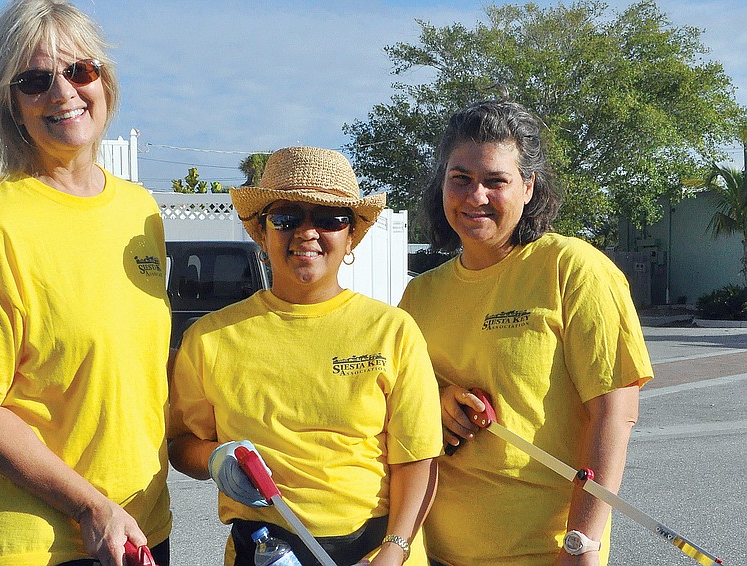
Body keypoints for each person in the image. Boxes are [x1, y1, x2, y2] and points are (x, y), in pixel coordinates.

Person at [0, 1, 172, 564]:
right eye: (35, 81)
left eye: (80, 70)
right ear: (11, 105)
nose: (63, 93)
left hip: (137, 524)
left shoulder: (139, 210)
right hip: (35, 541)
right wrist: (89, 505)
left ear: (105, 80)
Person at [398, 99, 654, 566]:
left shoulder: (573, 269)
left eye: (496, 181)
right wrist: (437, 399)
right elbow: (401, 409)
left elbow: (616, 416)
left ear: (528, 187)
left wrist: (582, 542)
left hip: (546, 554)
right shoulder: (420, 295)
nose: (476, 197)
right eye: (461, 179)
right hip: (437, 553)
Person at [167, 146, 443, 566]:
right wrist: (214, 458)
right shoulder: (209, 338)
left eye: (330, 218)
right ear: (262, 233)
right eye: (287, 217)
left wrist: (395, 550)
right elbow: (182, 443)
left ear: (351, 236)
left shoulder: (392, 330)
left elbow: (418, 458)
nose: (307, 232)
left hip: (375, 551)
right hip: (264, 550)